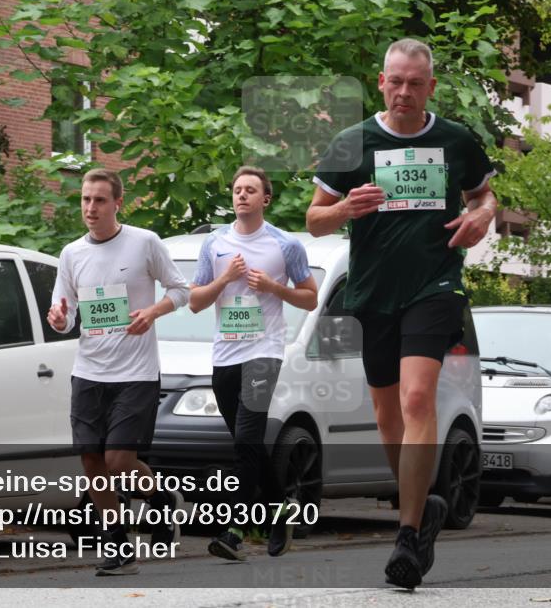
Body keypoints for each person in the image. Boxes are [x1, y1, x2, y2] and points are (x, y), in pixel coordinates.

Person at [306, 38, 497, 589]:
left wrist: (483, 217)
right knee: (388, 415)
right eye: (396, 81)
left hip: (434, 285)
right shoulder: (352, 142)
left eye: (416, 82)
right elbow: (315, 220)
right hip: (373, 291)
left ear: (430, 86)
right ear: (381, 82)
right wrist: (345, 207)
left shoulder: (456, 140)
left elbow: (484, 198)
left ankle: (408, 537)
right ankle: (423, 506)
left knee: (417, 398)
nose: (405, 91)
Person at [48, 168, 190, 576]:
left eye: (99, 200)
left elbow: (181, 290)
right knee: (91, 458)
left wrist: (153, 311)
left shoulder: (144, 243)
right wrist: (59, 318)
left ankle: (161, 499)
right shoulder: (72, 253)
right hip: (89, 370)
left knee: (118, 459)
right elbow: (66, 312)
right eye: (85, 200)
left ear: (117, 203)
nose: (90, 208)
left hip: (136, 372)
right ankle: (117, 543)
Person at [190, 166, 319, 561]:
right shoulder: (214, 244)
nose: (242, 195)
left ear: (266, 198)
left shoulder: (285, 245)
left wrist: (274, 287)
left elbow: (310, 298)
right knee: (247, 445)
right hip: (225, 355)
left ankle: (233, 531)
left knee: (247, 439)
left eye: (250, 190)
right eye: (237, 189)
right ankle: (279, 511)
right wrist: (224, 278)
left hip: (264, 353)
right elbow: (195, 301)